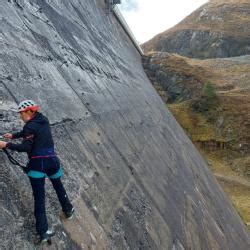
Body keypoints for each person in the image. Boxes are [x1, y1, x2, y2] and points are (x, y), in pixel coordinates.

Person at [0, 100, 74, 244]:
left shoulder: (29, 126)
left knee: (39, 198)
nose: (20, 116)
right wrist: (14, 135)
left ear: (29, 111)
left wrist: (6, 144)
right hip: (53, 161)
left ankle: (43, 231)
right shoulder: (43, 120)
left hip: (37, 165)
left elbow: (26, 147)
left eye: (21, 113)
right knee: (58, 186)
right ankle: (68, 210)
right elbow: (31, 132)